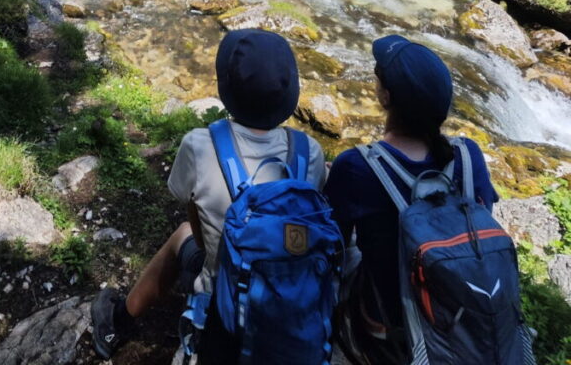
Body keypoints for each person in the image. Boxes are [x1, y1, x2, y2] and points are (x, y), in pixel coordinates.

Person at [91, 28, 327, 362]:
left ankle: (118, 322)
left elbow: (197, 227)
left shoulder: (200, 145)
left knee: (182, 235)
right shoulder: (310, 153)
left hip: (226, 294)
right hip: (290, 293)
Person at [324, 34, 499, 365]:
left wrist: (337, 182)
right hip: (463, 317)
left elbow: (334, 246)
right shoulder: (468, 155)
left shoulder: (356, 165)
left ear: (385, 97)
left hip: (388, 332)